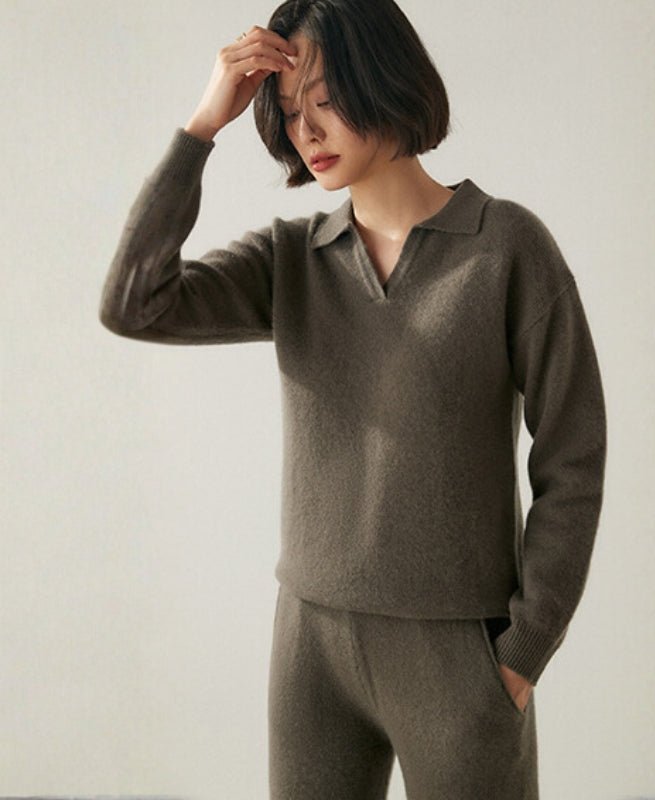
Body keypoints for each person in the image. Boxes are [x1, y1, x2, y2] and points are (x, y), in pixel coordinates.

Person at [98, 0, 607, 797]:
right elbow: (133, 303)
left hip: (457, 653)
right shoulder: (292, 260)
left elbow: (573, 457)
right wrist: (203, 125)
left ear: (385, 78)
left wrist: (524, 649)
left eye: (327, 100)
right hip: (310, 649)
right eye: (288, 111)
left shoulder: (506, 248)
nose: (307, 130)